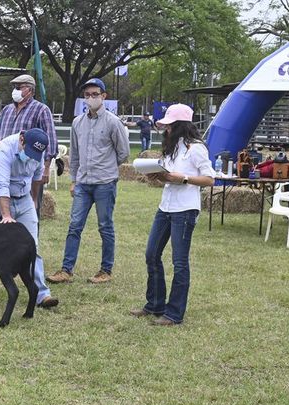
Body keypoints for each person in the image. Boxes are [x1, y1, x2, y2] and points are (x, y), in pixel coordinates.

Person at [130, 103, 215, 325]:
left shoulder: (196, 148)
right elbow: (168, 175)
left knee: (179, 262)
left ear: (180, 126)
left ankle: (174, 313)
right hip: (165, 207)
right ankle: (155, 304)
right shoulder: (171, 147)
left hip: (185, 210)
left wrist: (184, 179)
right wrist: (156, 176)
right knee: (151, 254)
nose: (166, 130)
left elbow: (209, 179)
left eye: (170, 126)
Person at [0, 128, 59, 309]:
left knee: (32, 246)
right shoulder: (3, 150)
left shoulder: (39, 151)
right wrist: (5, 215)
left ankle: (41, 294)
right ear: (22, 139)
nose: (31, 156)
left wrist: (35, 202)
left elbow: (37, 179)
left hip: (23, 198)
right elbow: (1, 186)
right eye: (28, 152)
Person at [47, 78, 130, 285]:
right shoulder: (77, 122)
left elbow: (123, 153)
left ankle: (106, 270)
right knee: (74, 226)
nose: (90, 98)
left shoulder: (113, 122)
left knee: (105, 226)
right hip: (83, 183)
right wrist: (74, 180)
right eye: (87, 95)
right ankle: (66, 270)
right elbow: (74, 155)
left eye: (95, 94)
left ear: (104, 96)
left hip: (104, 182)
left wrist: (108, 168)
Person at [0, 74, 57, 218]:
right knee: (1, 206)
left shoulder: (41, 110)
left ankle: (31, 238)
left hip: (27, 169)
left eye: (19, 87)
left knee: (31, 210)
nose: (15, 90)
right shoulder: (6, 110)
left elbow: (49, 140)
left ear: (30, 90)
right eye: (14, 87)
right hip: (4, 164)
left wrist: (46, 168)